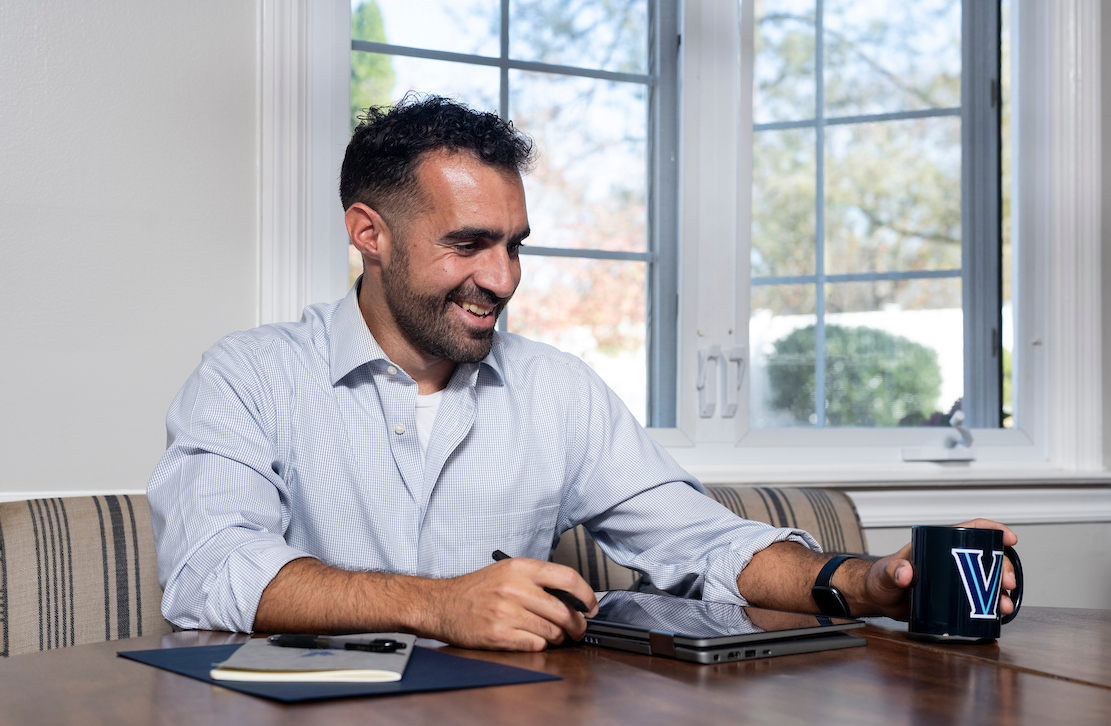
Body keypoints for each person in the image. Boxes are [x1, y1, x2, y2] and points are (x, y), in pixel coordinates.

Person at [148, 96, 1017, 651]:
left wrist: (867, 583)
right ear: (369, 234)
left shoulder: (558, 392)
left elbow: (704, 545)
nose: (503, 279)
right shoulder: (250, 377)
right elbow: (208, 569)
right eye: (468, 244)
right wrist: (438, 605)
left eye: (514, 245)